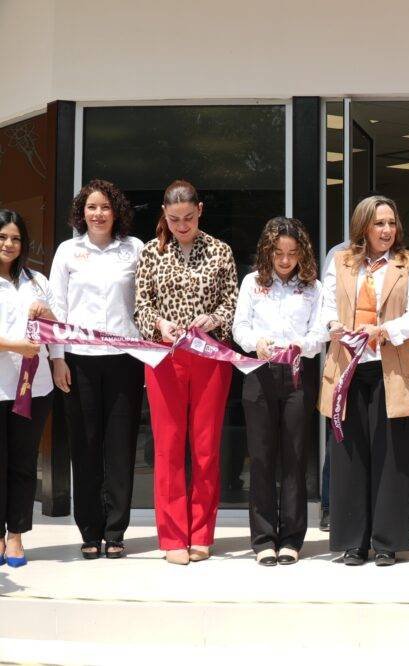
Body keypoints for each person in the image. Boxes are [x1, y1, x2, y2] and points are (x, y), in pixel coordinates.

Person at [319, 195, 409, 567]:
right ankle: (353, 541)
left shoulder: (407, 265)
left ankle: (386, 542)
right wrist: (334, 326)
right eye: (379, 223)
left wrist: (384, 330)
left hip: (391, 372)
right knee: (350, 457)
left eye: (391, 223)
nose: (387, 230)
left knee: (391, 458)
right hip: (348, 371)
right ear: (363, 226)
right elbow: (326, 307)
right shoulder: (341, 262)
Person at [134, 180, 238, 566]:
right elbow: (140, 307)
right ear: (164, 213)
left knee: (207, 447)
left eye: (188, 218)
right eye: (174, 218)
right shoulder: (150, 253)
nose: (181, 225)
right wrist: (160, 325)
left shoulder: (220, 251)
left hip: (209, 356)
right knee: (168, 447)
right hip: (164, 357)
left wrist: (211, 319)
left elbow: (232, 303)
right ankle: (173, 535)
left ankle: (201, 534)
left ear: (200, 212)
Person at [49, 180, 145, 560]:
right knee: (85, 446)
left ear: (116, 211)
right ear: (81, 212)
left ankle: (116, 529)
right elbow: (56, 306)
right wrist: (57, 357)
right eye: (91, 207)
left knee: (121, 447)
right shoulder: (68, 252)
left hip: (125, 361)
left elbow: (145, 301)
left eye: (105, 207)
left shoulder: (134, 249)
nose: (99, 213)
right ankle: (90, 529)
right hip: (79, 361)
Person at [234, 217, 327, 566]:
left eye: (292, 253)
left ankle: (291, 538)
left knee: (294, 458)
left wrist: (300, 345)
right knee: (260, 459)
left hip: (297, 376)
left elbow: (320, 334)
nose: (286, 260)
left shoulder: (313, 288)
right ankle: (263, 540)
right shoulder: (251, 283)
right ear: (267, 252)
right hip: (259, 375)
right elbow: (239, 326)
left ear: (302, 253)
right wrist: (254, 342)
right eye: (279, 253)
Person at [0, 209, 57, 568]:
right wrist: (13, 346)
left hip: (34, 388)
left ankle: (17, 533)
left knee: (23, 463)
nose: (9, 244)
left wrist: (46, 312)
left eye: (16, 238)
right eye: (3, 237)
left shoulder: (37, 280)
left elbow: (58, 326)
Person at [319, 238, 352, 532]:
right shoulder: (339, 254)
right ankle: (329, 507)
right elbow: (327, 304)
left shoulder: (394, 258)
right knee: (337, 438)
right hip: (343, 360)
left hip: (377, 357)